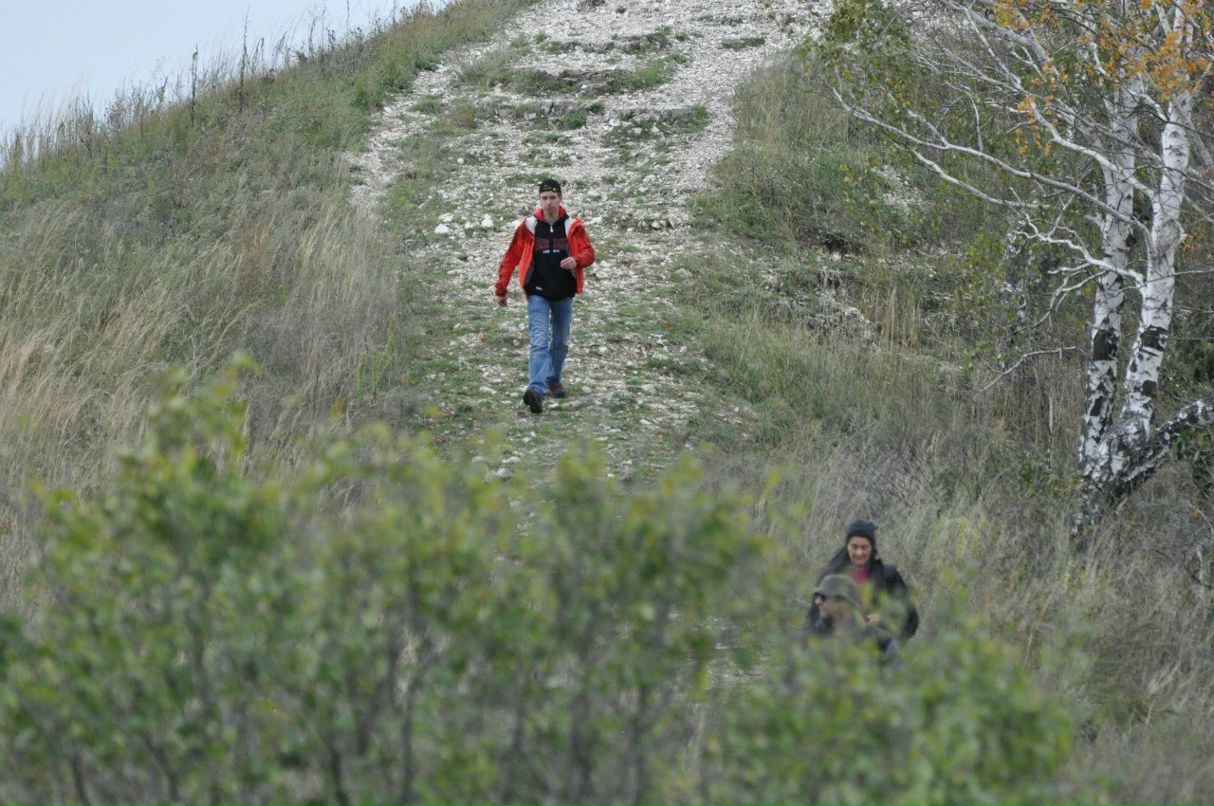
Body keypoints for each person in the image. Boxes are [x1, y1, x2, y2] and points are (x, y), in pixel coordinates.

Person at [494, 177, 596, 414]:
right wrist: (501, 288)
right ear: (539, 200)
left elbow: (590, 253)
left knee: (560, 343)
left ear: (560, 198)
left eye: (552, 197)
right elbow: (511, 256)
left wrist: (576, 260)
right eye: (544, 198)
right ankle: (536, 391)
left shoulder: (572, 226)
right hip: (537, 293)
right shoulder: (529, 226)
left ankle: (553, 379)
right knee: (539, 342)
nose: (549, 202)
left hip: (564, 293)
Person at [804, 519, 919, 640]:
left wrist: (883, 619)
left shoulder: (888, 577)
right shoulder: (830, 578)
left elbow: (909, 619)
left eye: (864, 547)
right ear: (847, 547)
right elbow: (814, 620)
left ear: (872, 548)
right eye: (854, 547)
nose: (859, 552)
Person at [804, 574, 899, 665]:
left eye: (823, 597)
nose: (817, 602)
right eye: (817, 597)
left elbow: (895, 673)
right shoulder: (814, 637)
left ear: (844, 601)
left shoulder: (882, 641)